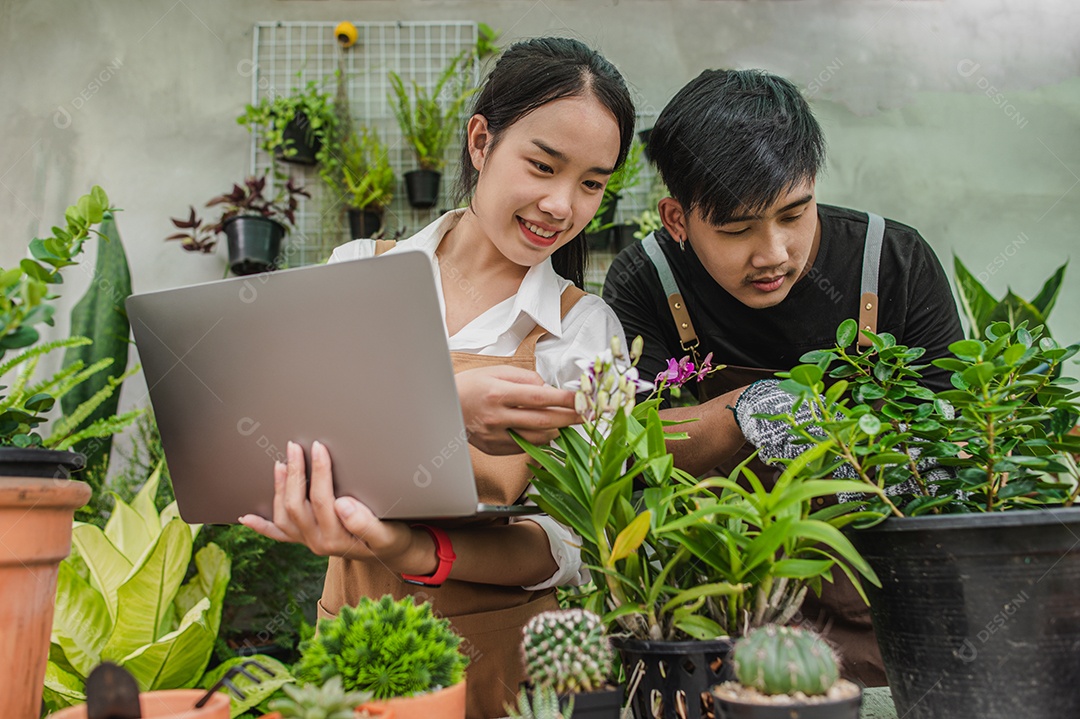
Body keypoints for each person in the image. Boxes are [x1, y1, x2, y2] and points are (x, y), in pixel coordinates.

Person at [240, 37, 635, 719]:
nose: (561, 205)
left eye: (592, 183)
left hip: (499, 659)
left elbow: (576, 543)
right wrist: (445, 406)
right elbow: (276, 432)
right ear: (482, 142)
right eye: (543, 166)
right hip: (354, 641)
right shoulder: (358, 272)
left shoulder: (585, 332)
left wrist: (414, 548)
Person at [603, 68, 964, 686]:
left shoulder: (892, 263)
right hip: (724, 608)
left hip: (885, 603)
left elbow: (952, 437)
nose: (772, 253)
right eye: (737, 229)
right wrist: (747, 409)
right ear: (676, 219)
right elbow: (630, 447)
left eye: (794, 214)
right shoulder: (648, 281)